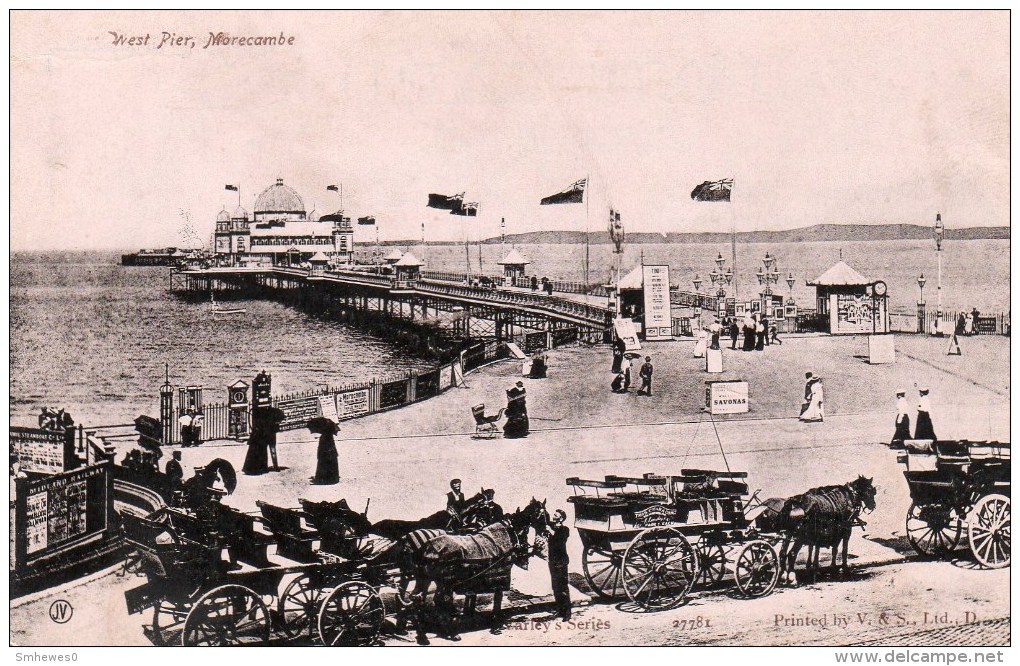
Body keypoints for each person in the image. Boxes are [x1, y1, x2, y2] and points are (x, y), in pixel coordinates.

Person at [546, 509, 571, 621]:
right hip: (552, 561)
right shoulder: (551, 525)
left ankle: (567, 613)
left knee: (563, 587)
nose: (554, 515)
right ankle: (560, 610)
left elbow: (559, 542)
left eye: (556, 515)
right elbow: (544, 518)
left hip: (561, 562)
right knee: (555, 587)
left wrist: (550, 531)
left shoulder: (565, 530)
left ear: (561, 518)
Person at [310, 420, 340, 485]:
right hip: (332, 453)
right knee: (331, 465)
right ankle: (333, 478)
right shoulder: (330, 436)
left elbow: (321, 448)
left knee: (323, 465)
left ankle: (323, 479)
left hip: (324, 454)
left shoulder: (323, 437)